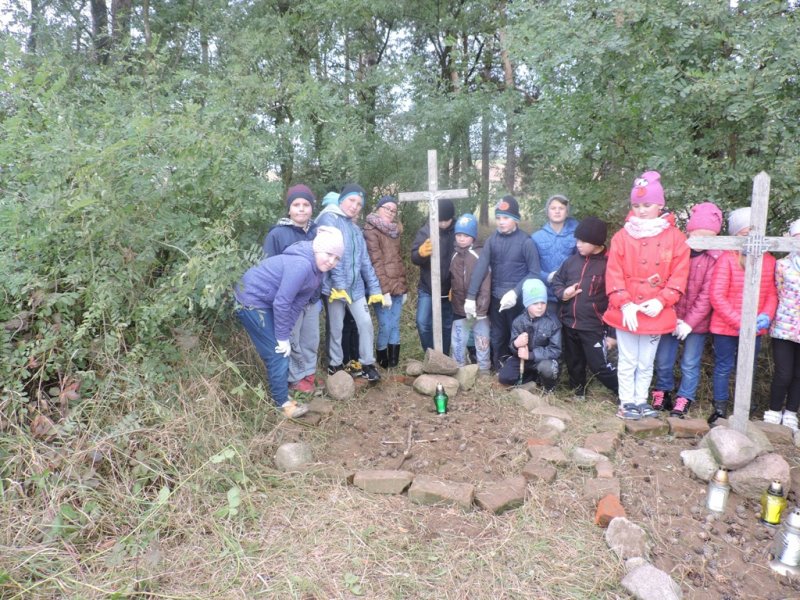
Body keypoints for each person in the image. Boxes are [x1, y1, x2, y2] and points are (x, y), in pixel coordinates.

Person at [603, 171, 690, 420]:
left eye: (647, 204)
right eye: (636, 205)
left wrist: (662, 300)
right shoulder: (621, 237)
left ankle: (641, 400)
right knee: (628, 358)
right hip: (628, 310)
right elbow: (614, 273)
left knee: (646, 361)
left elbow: (679, 274)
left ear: (660, 204)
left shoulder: (676, 238)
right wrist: (625, 304)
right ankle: (626, 401)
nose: (641, 210)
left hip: (655, 311)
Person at [234, 227, 344, 418]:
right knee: (278, 353)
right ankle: (282, 404)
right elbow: (283, 302)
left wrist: (286, 332)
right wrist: (282, 337)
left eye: (336, 258)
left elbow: (297, 304)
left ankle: (280, 394)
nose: (331, 261)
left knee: (279, 347)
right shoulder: (301, 265)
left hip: (267, 300)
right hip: (251, 300)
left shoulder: (317, 271)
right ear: (318, 249)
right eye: (329, 254)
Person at [651, 202, 723, 417]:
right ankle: (662, 391)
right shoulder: (674, 251)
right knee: (664, 359)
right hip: (669, 316)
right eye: (699, 234)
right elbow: (664, 283)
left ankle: (684, 397)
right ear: (690, 231)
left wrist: (689, 323)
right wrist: (671, 315)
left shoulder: (713, 260)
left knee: (690, 363)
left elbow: (706, 296)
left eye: (708, 236)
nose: (702, 240)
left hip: (696, 324)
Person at [707, 206, 778, 424]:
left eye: (754, 233)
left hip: (755, 327)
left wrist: (766, 315)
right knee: (724, 366)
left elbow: (772, 293)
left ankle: (744, 406)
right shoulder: (727, 260)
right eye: (745, 233)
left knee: (748, 367)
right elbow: (717, 296)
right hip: (726, 327)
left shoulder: (769, 260)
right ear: (736, 235)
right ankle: (719, 407)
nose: (750, 238)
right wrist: (740, 322)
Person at [316, 183, 385, 382]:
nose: (355, 206)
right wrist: (339, 286)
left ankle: (367, 364)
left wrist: (375, 288)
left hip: (355, 288)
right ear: (341, 199)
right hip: (335, 288)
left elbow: (364, 261)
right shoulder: (330, 219)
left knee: (365, 323)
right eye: (351, 200)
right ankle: (335, 365)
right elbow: (331, 254)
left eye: (359, 204)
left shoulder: (355, 229)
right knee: (336, 327)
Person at [465, 196, 541, 371]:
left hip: (518, 300)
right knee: (498, 335)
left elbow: (534, 272)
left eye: (505, 218)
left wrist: (515, 292)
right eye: (498, 218)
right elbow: (481, 268)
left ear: (515, 219)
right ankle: (499, 368)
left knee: (517, 335)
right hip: (496, 297)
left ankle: (519, 371)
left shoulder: (526, 242)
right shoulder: (492, 240)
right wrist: (470, 296)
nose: (501, 222)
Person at [262, 184, 321, 394]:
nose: (302, 209)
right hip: (288, 300)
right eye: (296, 204)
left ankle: (309, 373)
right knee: (292, 340)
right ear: (289, 209)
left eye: (306, 204)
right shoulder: (277, 235)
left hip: (312, 299)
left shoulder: (317, 232)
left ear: (312, 208)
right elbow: (268, 267)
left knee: (310, 339)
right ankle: (295, 378)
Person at [551, 216, 618, 398]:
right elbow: (557, 281)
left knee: (599, 366)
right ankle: (578, 391)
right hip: (569, 323)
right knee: (574, 361)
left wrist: (612, 334)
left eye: (582, 241)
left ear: (596, 242)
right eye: (577, 239)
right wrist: (563, 293)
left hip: (593, 326)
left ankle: (624, 393)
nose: (578, 244)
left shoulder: (608, 265)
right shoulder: (571, 261)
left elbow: (615, 300)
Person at [764, 219, 800, 431]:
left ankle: (791, 412)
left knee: (799, 374)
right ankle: (774, 409)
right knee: (783, 372)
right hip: (784, 328)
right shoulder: (782, 265)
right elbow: (777, 290)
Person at [364, 195, 408, 368]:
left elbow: (397, 261)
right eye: (387, 208)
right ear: (378, 208)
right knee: (385, 324)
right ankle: (382, 356)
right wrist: (384, 291)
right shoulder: (370, 230)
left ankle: (393, 360)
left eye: (393, 210)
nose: (390, 212)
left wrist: (403, 288)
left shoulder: (395, 231)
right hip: (381, 287)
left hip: (397, 284)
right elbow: (376, 262)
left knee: (395, 323)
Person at [410, 199, 456, 355]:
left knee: (447, 326)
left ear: (452, 218)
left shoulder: (458, 232)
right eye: (440, 220)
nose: (443, 224)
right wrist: (421, 253)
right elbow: (414, 257)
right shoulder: (426, 231)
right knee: (422, 323)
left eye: (446, 220)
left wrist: (457, 286)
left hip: (449, 290)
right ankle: (430, 356)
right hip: (427, 288)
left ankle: (444, 358)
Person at [497, 279, 561, 389]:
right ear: (526, 303)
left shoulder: (553, 322)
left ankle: (549, 388)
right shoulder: (519, 321)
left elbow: (555, 350)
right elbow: (512, 347)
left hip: (543, 360)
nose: (540, 306)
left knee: (547, 369)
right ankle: (533, 380)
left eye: (543, 302)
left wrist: (531, 355)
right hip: (523, 360)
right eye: (535, 303)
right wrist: (516, 344)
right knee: (504, 377)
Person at [449, 213, 492, 372]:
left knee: (482, 339)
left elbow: (486, 283)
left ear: (473, 237)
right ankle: (458, 367)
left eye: (466, 235)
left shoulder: (479, 255)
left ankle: (483, 370)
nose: (461, 239)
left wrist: (481, 308)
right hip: (459, 309)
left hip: (479, 310)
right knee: (458, 340)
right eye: (458, 235)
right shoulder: (453, 255)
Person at [531, 194, 578, 315]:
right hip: (546, 296)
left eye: (561, 208)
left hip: (571, 294)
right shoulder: (536, 238)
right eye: (553, 208)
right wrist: (547, 277)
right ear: (547, 212)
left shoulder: (576, 236)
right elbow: (531, 268)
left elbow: (581, 263)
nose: (557, 211)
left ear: (567, 212)